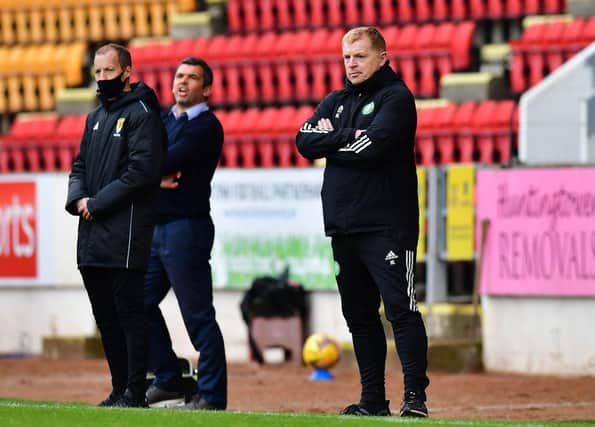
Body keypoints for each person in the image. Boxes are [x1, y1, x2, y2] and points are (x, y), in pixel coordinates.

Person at [295, 27, 430, 417]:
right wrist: (349, 136)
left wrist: (333, 141)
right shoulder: (336, 100)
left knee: (401, 310)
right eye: (347, 57)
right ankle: (373, 399)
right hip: (343, 226)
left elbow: (374, 147)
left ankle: (414, 399)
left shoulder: (397, 98)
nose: (352, 64)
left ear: (382, 58)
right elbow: (303, 141)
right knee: (359, 316)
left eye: (360, 56)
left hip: (387, 224)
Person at [65, 43, 166, 408]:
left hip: (124, 234)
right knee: (105, 319)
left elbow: (141, 172)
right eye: (97, 72)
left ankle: (135, 392)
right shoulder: (94, 117)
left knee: (129, 316)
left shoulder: (142, 113)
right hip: (91, 233)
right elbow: (79, 166)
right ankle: (118, 388)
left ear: (126, 72)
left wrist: (97, 203)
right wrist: (79, 200)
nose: (102, 79)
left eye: (109, 72)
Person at [143, 57, 227, 410]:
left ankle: (211, 395)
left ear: (205, 89)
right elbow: (139, 159)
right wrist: (154, 176)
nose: (182, 82)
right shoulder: (163, 121)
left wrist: (150, 171)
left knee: (197, 314)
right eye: (179, 75)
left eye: (192, 78)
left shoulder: (207, 126)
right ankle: (168, 378)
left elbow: (156, 160)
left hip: (185, 228)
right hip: (156, 226)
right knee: (135, 303)